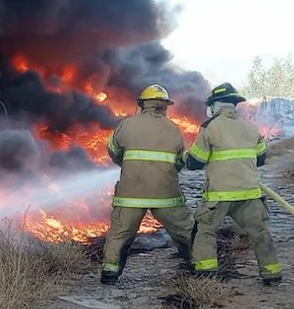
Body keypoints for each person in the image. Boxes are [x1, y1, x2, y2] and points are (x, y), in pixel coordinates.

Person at [184, 82, 283, 284]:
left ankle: (206, 275)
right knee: (260, 233)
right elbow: (261, 159)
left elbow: (195, 162)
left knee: (205, 232)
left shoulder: (210, 127)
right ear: (233, 104)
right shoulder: (250, 128)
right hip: (249, 193)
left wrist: (184, 156)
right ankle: (272, 274)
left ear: (215, 105)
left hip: (220, 195)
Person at [99, 84, 195, 284]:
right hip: (165, 194)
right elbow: (179, 162)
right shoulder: (174, 130)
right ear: (164, 106)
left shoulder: (127, 125)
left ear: (142, 105)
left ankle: (110, 272)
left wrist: (129, 166)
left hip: (131, 193)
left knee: (120, 234)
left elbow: (113, 151)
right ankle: (198, 264)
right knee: (185, 231)